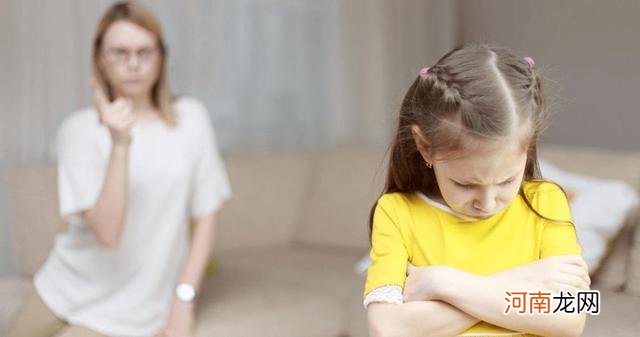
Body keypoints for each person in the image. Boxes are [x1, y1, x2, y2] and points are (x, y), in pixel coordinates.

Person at [7, 2, 231, 337]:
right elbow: (108, 233)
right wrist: (120, 145)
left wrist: (183, 300)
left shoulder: (191, 119)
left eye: (145, 52)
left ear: (162, 56)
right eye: (119, 52)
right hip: (63, 287)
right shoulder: (78, 130)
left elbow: (207, 214)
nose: (133, 65)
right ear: (100, 57)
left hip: (139, 309)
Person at [364, 43, 591, 337]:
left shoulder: (546, 201)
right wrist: (523, 278)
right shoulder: (396, 212)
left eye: (507, 181)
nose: (487, 203)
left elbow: (572, 319)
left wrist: (442, 283)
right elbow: (388, 329)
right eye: (466, 184)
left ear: (529, 148)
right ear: (425, 147)